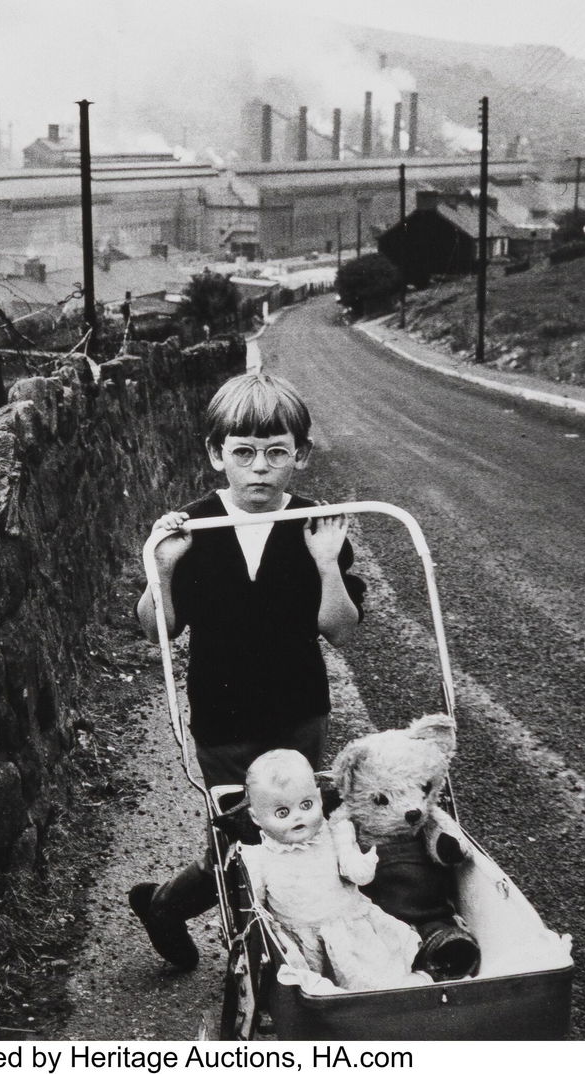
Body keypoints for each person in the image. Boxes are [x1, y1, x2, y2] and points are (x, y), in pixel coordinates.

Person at [128, 372, 366, 971]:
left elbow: (339, 628)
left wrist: (326, 565)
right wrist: (163, 565)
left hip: (300, 710)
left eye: (276, 452)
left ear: (300, 456)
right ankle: (211, 930)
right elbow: (158, 627)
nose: (259, 468)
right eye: (243, 453)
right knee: (242, 838)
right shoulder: (193, 526)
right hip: (223, 714)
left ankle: (292, 952)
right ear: (217, 456)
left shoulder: (319, 525)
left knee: (303, 832)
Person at [237, 750, 431, 993]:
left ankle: (400, 990)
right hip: (301, 937)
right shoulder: (259, 858)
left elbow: (357, 874)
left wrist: (364, 864)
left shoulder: (336, 833)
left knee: (375, 976)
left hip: (348, 929)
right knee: (306, 985)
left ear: (319, 798)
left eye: (306, 805)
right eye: (282, 813)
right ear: (256, 818)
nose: (298, 816)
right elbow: (256, 905)